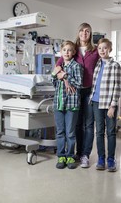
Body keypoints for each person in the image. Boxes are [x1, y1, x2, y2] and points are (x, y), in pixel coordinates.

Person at [55, 23, 100, 168]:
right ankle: (74, 154)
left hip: (88, 91)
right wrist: (63, 76)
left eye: (87, 31)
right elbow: (57, 67)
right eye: (82, 30)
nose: (84, 33)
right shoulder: (72, 49)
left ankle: (85, 155)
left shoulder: (95, 51)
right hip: (74, 92)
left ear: (90, 34)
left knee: (88, 124)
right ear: (78, 32)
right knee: (75, 125)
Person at [89, 38, 121, 172]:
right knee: (99, 132)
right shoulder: (97, 65)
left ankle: (111, 159)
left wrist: (113, 105)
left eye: (105, 48)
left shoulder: (115, 65)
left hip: (109, 104)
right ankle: (101, 159)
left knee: (110, 132)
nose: (102, 50)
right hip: (96, 102)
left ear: (110, 49)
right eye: (100, 48)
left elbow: (117, 86)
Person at [51, 40, 83, 169]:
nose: (67, 52)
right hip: (58, 103)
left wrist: (66, 76)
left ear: (74, 52)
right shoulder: (59, 67)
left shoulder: (76, 66)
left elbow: (80, 84)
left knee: (70, 132)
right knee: (60, 132)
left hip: (71, 104)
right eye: (64, 50)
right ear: (61, 52)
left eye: (69, 50)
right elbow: (54, 84)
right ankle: (61, 156)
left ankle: (70, 156)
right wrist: (55, 74)